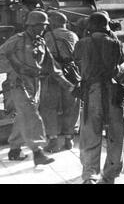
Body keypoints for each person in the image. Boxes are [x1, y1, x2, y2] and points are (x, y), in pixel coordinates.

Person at [0, 10, 75, 166]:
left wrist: (68, 85)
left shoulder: (41, 41)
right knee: (32, 116)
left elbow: (52, 67)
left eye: (45, 26)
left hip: (35, 83)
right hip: (18, 84)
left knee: (23, 115)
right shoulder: (17, 40)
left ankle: (15, 149)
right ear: (31, 26)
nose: (43, 29)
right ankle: (38, 152)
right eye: (41, 26)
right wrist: (14, 70)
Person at [74, 12, 124, 184]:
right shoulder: (115, 43)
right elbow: (120, 62)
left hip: (92, 92)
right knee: (116, 134)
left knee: (90, 133)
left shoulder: (81, 43)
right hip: (112, 92)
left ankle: (90, 175)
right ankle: (110, 174)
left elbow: (76, 61)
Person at [40, 11, 80, 153]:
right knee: (72, 105)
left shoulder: (48, 36)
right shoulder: (73, 35)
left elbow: (45, 56)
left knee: (49, 107)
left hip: (52, 75)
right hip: (71, 74)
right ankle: (69, 139)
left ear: (53, 23)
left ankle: (53, 140)